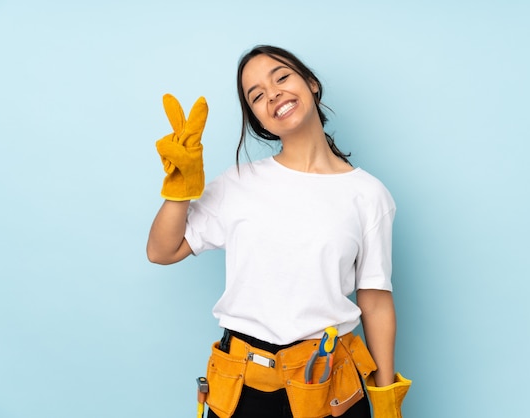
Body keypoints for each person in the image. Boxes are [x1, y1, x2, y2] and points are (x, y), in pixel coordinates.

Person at [147, 45, 410, 418]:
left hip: (330, 386)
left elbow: (376, 301)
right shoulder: (238, 184)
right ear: (259, 121)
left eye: (282, 77)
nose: (273, 94)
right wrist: (179, 188)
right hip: (242, 388)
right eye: (256, 95)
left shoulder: (369, 195)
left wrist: (385, 402)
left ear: (312, 85)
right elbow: (162, 250)